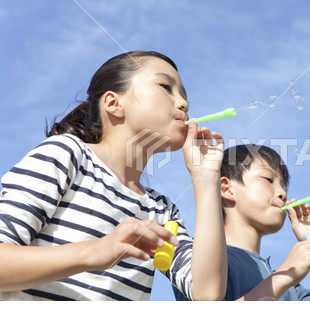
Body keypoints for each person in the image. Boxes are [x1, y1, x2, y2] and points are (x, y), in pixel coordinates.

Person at [0, 51, 227, 301]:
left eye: (185, 97)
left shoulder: (161, 210)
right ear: (113, 103)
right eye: (165, 87)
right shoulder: (66, 154)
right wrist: (97, 251)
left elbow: (207, 294)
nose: (183, 104)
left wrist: (206, 179)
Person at [173, 144, 310, 301]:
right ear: (226, 189)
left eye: (284, 185)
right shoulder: (202, 260)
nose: (282, 192)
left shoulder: (290, 284)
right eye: (268, 179)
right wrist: (283, 278)